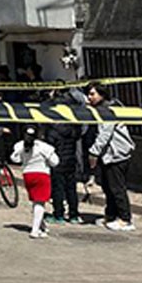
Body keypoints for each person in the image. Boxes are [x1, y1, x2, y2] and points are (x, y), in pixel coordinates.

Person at [86, 83, 136, 231]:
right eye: (89, 94)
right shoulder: (98, 110)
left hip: (117, 154)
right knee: (108, 188)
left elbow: (105, 134)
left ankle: (125, 219)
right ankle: (111, 216)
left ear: (102, 95)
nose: (90, 97)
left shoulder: (108, 110)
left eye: (93, 94)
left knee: (117, 188)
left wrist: (94, 152)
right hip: (107, 155)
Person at [11, 125, 59, 239]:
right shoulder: (43, 147)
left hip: (28, 174)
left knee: (35, 201)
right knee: (40, 202)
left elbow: (15, 159)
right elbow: (55, 162)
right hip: (42, 174)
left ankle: (41, 226)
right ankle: (35, 230)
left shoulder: (19, 145)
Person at [45, 91, 84, 224]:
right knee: (71, 188)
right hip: (71, 160)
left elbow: (49, 144)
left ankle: (59, 214)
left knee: (58, 189)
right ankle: (74, 214)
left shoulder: (53, 128)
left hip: (57, 161)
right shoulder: (74, 126)